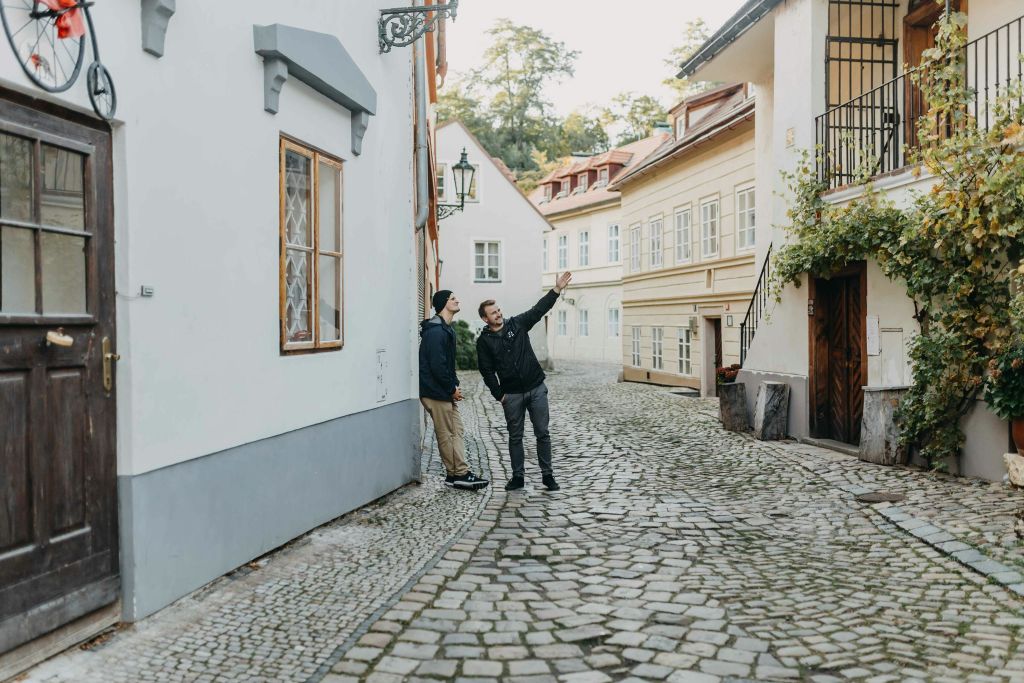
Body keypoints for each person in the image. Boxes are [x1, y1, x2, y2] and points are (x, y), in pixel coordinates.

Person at [476, 272, 572, 491]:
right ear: (485, 318)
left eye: (498, 310)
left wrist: (556, 290)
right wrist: (499, 394)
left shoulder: (517, 324)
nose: (498, 314)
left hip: (536, 387)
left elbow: (539, 310)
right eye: (493, 313)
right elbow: (486, 370)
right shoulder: (484, 342)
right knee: (515, 437)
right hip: (512, 395)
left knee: (542, 433)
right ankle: (518, 477)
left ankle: (548, 475)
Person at [419, 289, 489, 491]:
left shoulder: (445, 329)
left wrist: (454, 385)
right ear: (443, 304)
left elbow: (447, 365)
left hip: (442, 391)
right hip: (436, 392)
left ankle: (454, 474)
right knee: (447, 434)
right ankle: (460, 474)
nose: (457, 300)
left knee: (455, 431)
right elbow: (437, 366)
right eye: (452, 299)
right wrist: (451, 389)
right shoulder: (435, 332)